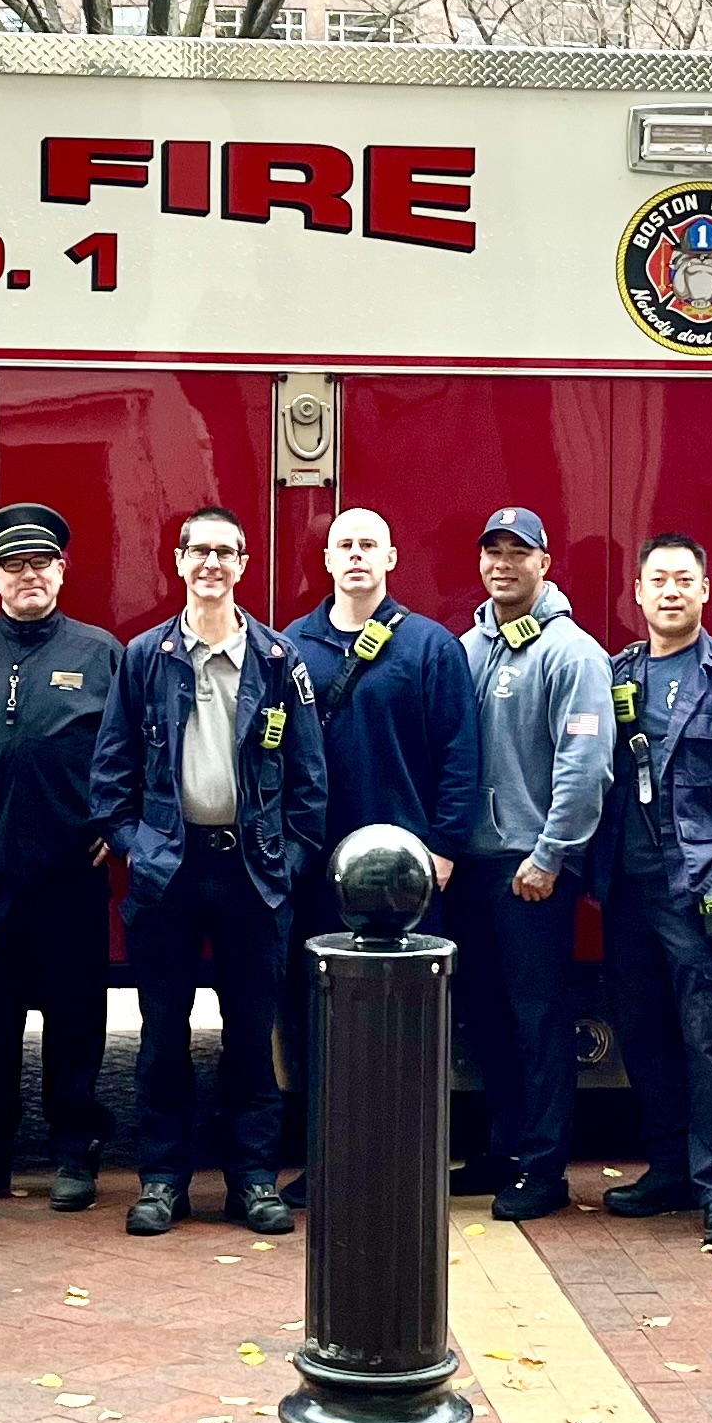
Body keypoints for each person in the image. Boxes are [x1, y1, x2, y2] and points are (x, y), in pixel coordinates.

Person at [88, 506, 328, 1238]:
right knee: (162, 1034)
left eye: (227, 551)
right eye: (200, 551)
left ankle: (251, 1180)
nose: (212, 564)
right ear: (179, 559)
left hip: (253, 876)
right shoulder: (143, 657)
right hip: (169, 874)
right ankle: (163, 1180)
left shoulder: (281, 662)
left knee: (252, 1037)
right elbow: (110, 776)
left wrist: (285, 860)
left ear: (245, 563)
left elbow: (309, 785)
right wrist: (139, 846)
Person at [588, 534, 712, 1252]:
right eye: (658, 581)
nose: (671, 592)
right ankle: (670, 1167)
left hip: (704, 887)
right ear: (637, 595)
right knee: (642, 1033)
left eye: (684, 580)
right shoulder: (615, 677)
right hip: (629, 890)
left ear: (706, 592)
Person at [279, 506, 479, 1205]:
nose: (357, 555)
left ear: (390, 557)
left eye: (369, 543)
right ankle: (328, 1163)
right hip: (314, 870)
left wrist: (445, 848)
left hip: (406, 880)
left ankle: (405, 1165)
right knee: (318, 1022)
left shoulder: (429, 647)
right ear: (327, 560)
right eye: (344, 545)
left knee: (410, 1021)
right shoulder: (289, 647)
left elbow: (461, 752)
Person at [0, 503, 122, 1213]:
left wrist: (114, 818)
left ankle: (75, 1152)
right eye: (14, 565)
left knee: (77, 1014)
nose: (28, 575)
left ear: (62, 570)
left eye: (41, 562)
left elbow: (127, 746)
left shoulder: (101, 652)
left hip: (72, 868)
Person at [449, 508, 613, 1222]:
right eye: (493, 552)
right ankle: (502, 1148)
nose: (504, 564)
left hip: (532, 869)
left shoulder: (572, 652)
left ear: (546, 563)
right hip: (476, 867)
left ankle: (543, 1170)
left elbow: (586, 766)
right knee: (485, 1017)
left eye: (520, 552)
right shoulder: (466, 647)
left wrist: (551, 855)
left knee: (538, 1021)